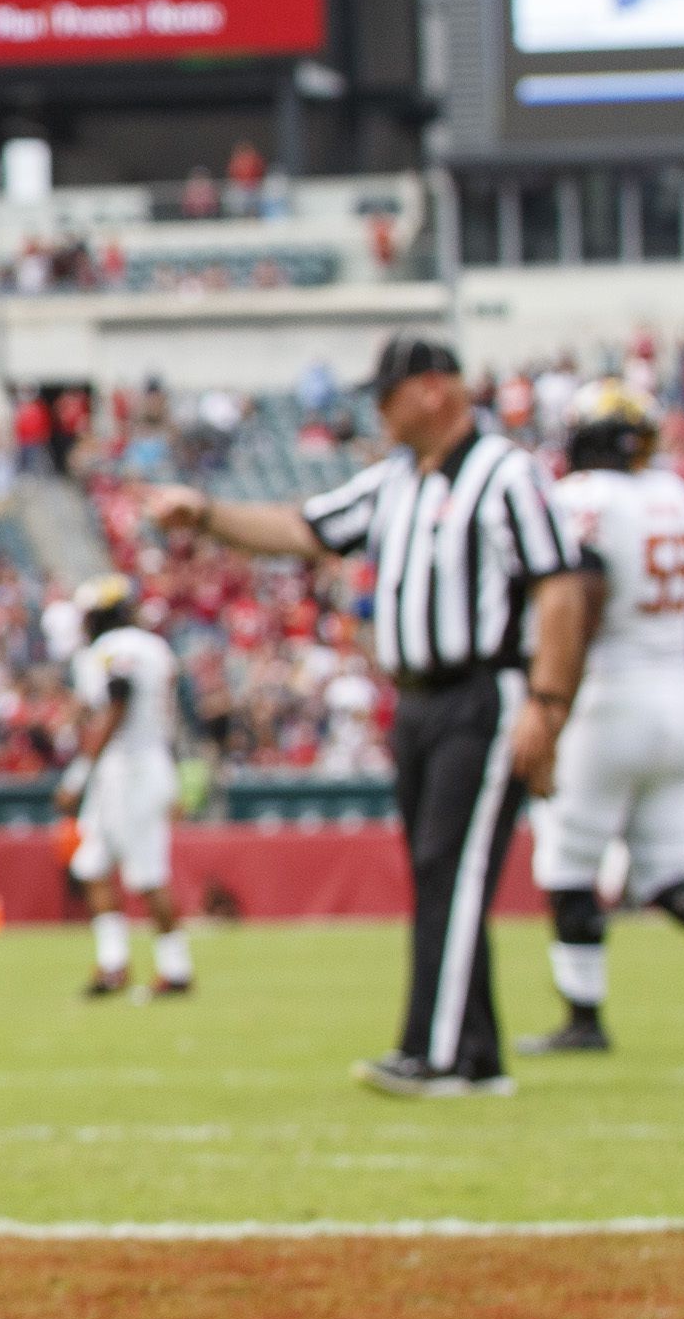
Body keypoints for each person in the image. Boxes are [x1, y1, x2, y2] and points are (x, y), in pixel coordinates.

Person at [141, 331, 571, 1097]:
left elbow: (560, 587)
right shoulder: (394, 481)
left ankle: (435, 1053)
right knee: (443, 870)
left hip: (485, 688)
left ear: (433, 388)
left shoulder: (508, 474)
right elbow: (306, 530)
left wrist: (547, 700)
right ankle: (473, 1053)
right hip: (417, 697)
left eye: (388, 391)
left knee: (452, 865)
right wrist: (205, 514)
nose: (378, 408)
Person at [518, 381, 684, 1054]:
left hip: (609, 694)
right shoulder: (678, 498)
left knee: (568, 859)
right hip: (678, 694)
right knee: (668, 867)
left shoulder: (584, 499)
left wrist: (551, 706)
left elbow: (577, 597)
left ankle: (584, 1017)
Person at [58, 578, 193, 1001]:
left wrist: (78, 774)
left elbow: (119, 702)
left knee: (148, 874)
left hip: (129, 768)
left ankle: (176, 968)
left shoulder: (114, 649)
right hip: (142, 763)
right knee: (91, 864)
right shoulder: (154, 646)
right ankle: (113, 964)